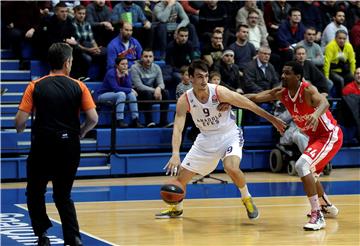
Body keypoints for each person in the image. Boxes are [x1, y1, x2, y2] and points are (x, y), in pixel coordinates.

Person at [155, 60, 286, 220]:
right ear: (190, 78)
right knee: (181, 177)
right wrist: (175, 153)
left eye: (206, 76)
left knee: (230, 167)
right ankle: (176, 208)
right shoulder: (184, 100)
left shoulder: (219, 92)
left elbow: (249, 104)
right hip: (205, 138)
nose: (204, 81)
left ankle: (247, 198)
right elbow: (178, 127)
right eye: (199, 77)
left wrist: (272, 119)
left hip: (229, 135)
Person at [14, 43, 98, 245]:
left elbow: (19, 120)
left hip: (43, 146)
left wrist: (20, 129)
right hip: (69, 147)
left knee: (35, 192)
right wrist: (82, 132)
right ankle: (73, 237)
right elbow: (93, 118)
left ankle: (42, 235)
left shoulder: (35, 86)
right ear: (68, 62)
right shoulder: (79, 86)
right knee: (63, 195)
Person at [246, 61, 342, 230]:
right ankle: (326, 206)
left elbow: (324, 103)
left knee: (302, 165)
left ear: (298, 77)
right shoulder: (282, 93)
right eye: (282, 72)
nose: (283, 76)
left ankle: (317, 215)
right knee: (310, 174)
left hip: (329, 135)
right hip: (314, 137)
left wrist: (316, 113)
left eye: (288, 73)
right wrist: (229, 97)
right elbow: (255, 97)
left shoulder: (307, 90)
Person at [97, 57, 144, 128]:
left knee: (131, 95)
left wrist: (127, 76)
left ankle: (135, 120)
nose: (125, 66)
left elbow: (128, 87)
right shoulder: (111, 73)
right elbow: (115, 88)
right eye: (122, 64)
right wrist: (130, 90)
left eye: (126, 64)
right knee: (122, 94)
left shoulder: (126, 73)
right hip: (103, 95)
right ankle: (119, 120)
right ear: (117, 65)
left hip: (117, 94)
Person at [131, 49, 171, 128]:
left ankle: (163, 121)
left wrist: (159, 88)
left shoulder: (156, 67)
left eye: (150, 56)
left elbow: (161, 83)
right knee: (147, 93)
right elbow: (139, 86)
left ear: (153, 58)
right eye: (146, 56)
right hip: (138, 94)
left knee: (166, 93)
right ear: (141, 57)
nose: (148, 59)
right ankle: (149, 121)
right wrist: (155, 90)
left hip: (152, 92)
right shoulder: (134, 68)